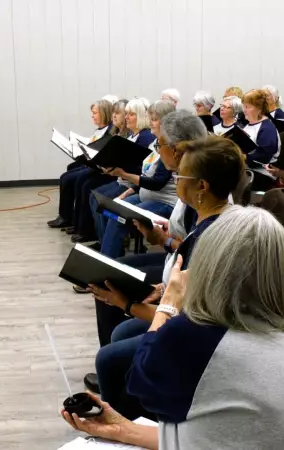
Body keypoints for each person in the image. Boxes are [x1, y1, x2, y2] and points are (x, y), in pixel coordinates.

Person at [65, 207, 284, 450]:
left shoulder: (198, 335)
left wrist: (168, 305)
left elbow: (141, 383)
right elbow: (223, 433)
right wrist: (122, 430)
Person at [88, 136, 245, 420]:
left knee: (108, 358)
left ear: (201, 186)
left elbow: (185, 320)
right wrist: (162, 287)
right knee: (121, 334)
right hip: (196, 314)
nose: (175, 179)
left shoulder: (211, 236)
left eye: (178, 175)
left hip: (205, 332)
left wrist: (125, 304)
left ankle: (121, 427)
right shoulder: (214, 218)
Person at [93, 110, 207, 346]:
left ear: (176, 149)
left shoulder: (195, 186)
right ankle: (115, 346)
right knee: (113, 275)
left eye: (160, 144)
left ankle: (117, 352)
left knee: (113, 281)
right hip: (174, 263)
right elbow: (188, 239)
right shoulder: (185, 178)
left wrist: (163, 240)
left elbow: (194, 252)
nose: (157, 148)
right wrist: (164, 234)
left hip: (181, 275)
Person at [95, 100, 176, 258]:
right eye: (150, 118)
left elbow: (157, 182)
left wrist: (123, 174)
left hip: (164, 202)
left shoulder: (169, 147)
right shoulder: (154, 143)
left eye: (154, 119)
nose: (150, 122)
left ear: (166, 122)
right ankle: (113, 257)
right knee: (109, 210)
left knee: (119, 218)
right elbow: (146, 177)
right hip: (145, 195)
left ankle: (108, 266)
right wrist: (125, 194)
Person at [70, 98, 153, 243]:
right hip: (122, 180)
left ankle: (110, 243)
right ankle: (103, 240)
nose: (126, 117)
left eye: (131, 114)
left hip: (129, 184)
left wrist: (118, 167)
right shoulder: (133, 134)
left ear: (140, 116)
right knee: (93, 195)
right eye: (126, 114)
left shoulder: (145, 137)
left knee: (100, 200)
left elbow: (141, 167)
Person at [48, 99, 114, 229]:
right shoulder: (100, 130)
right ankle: (67, 216)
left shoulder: (110, 131)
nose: (92, 116)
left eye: (95, 113)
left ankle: (79, 223)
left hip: (101, 169)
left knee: (79, 181)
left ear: (104, 113)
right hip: (92, 164)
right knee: (66, 176)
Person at [241, 88, 280, 165]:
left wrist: (242, 156)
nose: (244, 110)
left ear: (259, 109)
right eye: (244, 106)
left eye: (247, 107)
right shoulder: (248, 124)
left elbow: (265, 156)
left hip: (261, 171)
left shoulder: (267, 128)